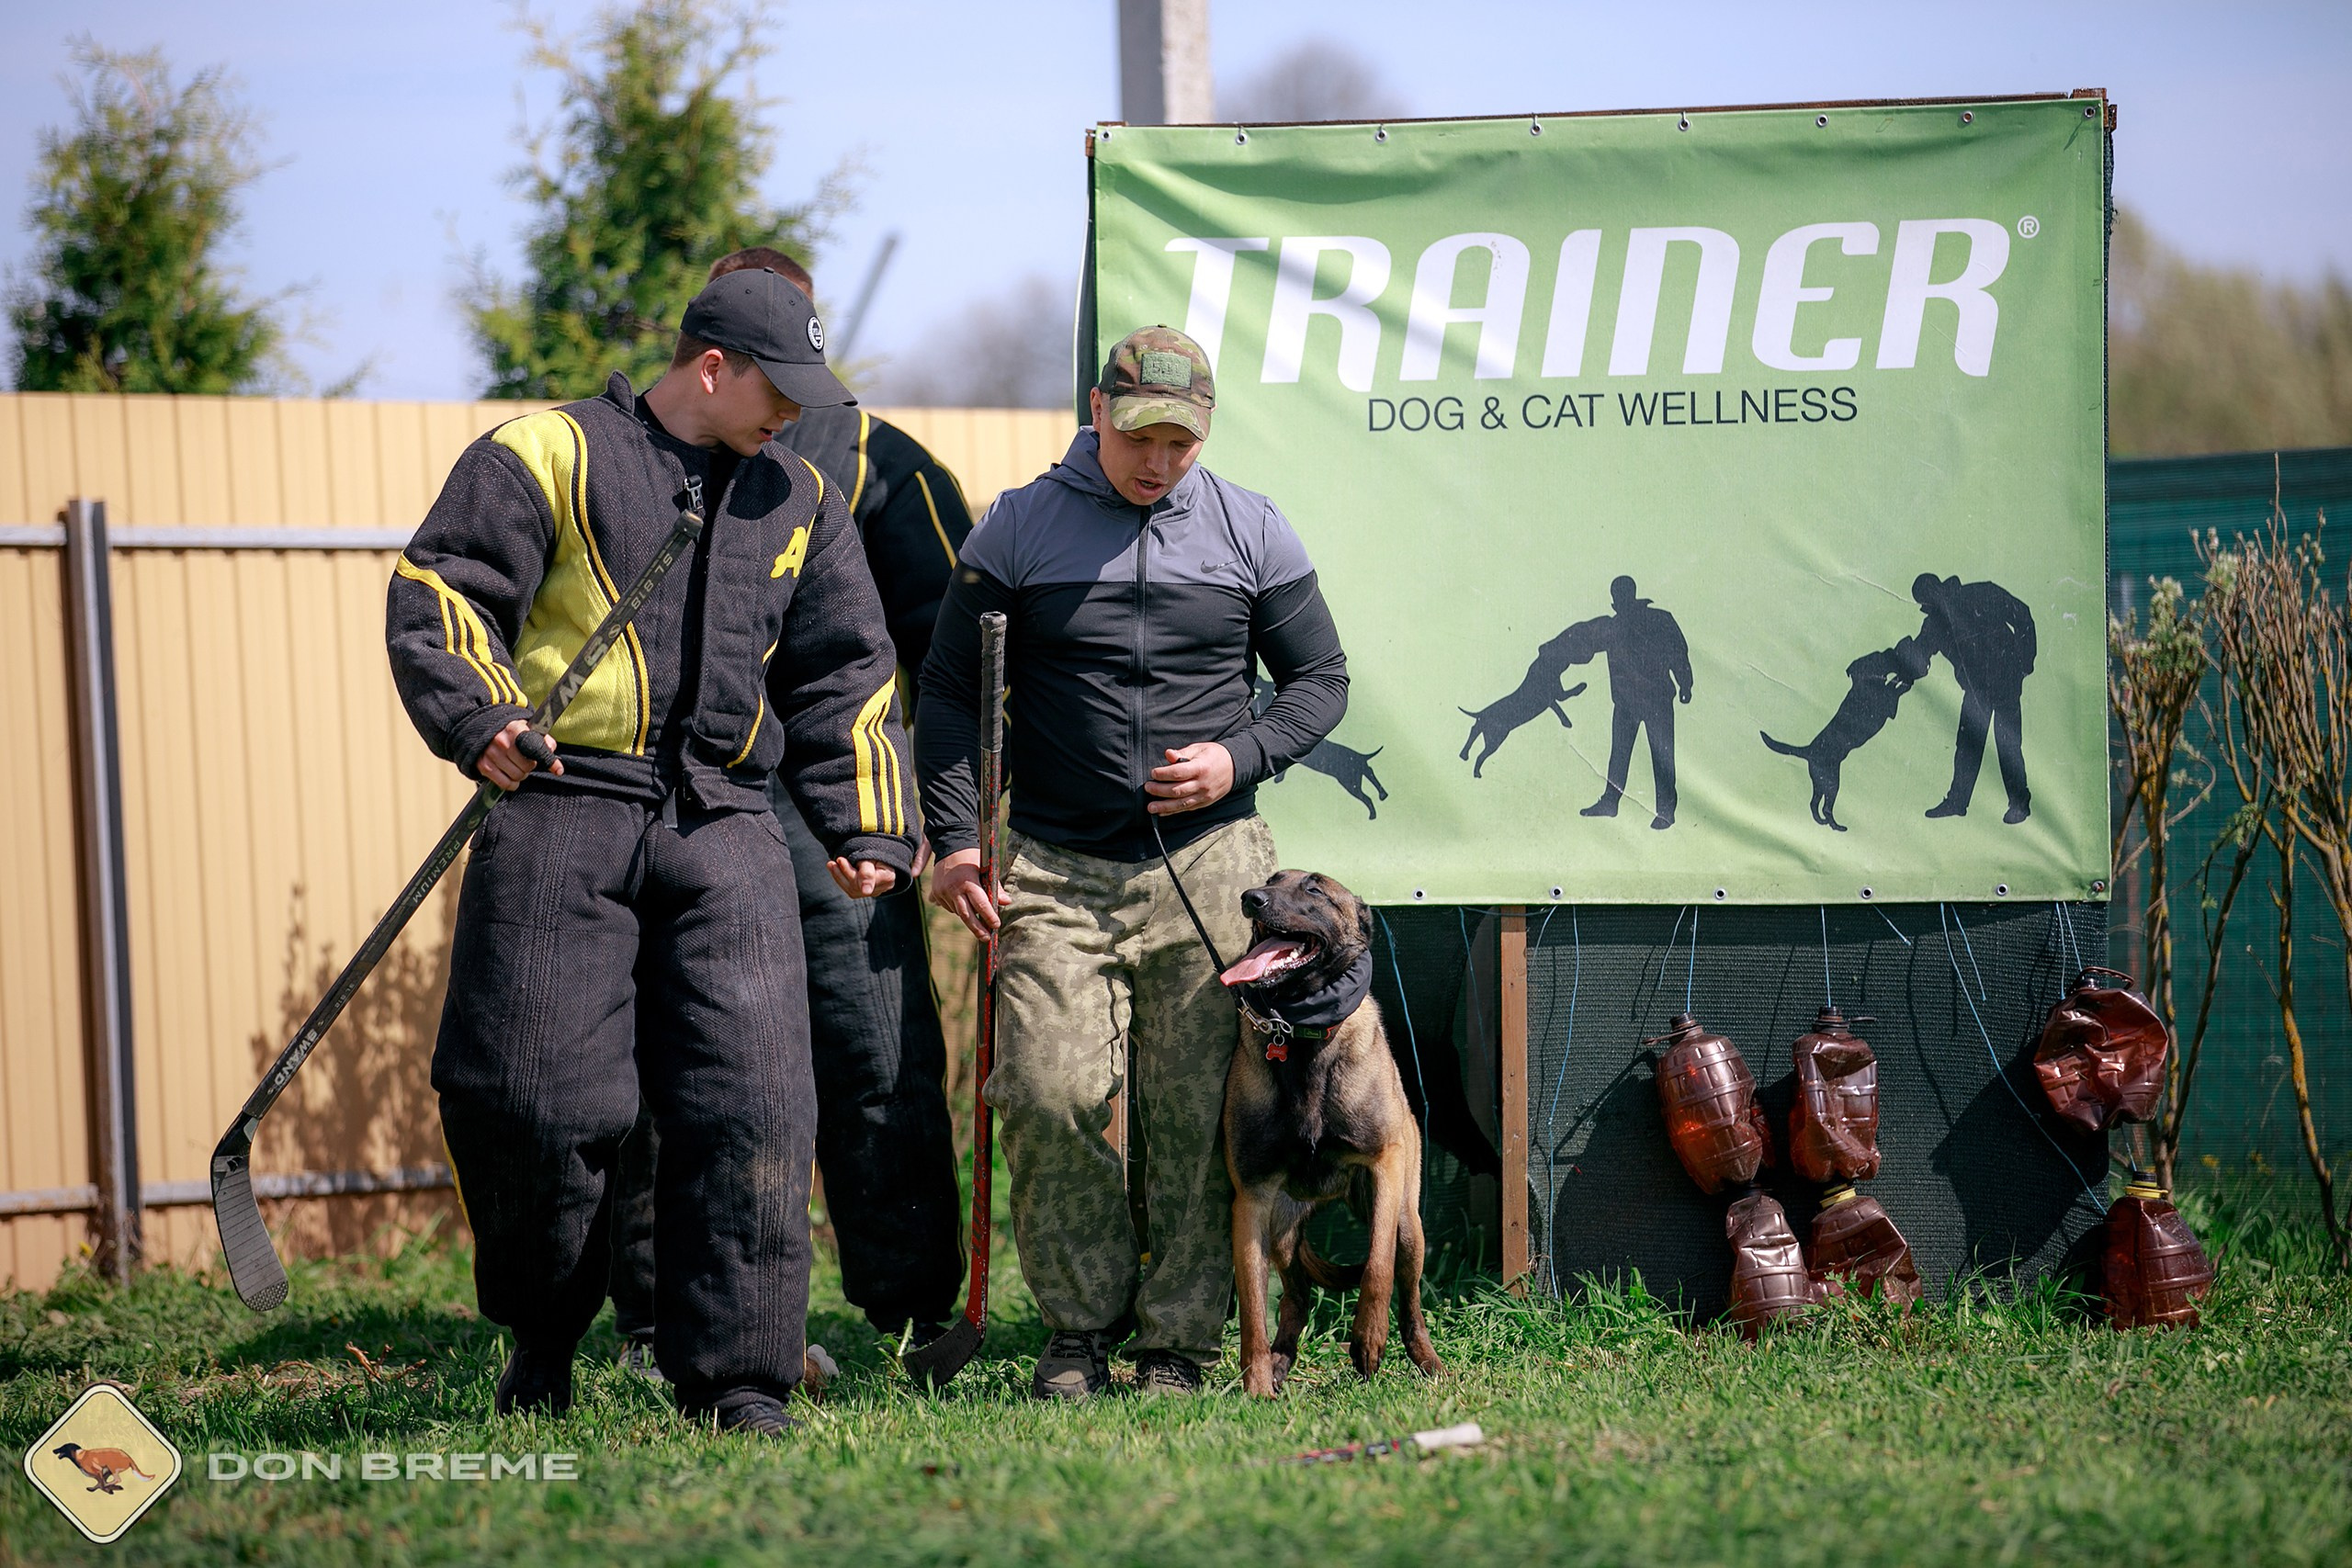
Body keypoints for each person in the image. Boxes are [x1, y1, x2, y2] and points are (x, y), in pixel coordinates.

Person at [387, 267, 916, 1435]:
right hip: (562, 803)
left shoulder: (803, 498)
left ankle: (738, 1382)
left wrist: (870, 819)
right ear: (712, 367)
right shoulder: (542, 454)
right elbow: (444, 590)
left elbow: (848, 669)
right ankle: (542, 1334)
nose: (795, 413)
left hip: (724, 822)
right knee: (529, 1100)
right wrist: (482, 719)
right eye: (779, 389)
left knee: (755, 1106)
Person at [918, 326, 1350, 1399]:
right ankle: (1076, 1330)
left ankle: (1179, 1342)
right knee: (1046, 1091)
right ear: (1098, 412)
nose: (1159, 461)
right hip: (1057, 867)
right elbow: (944, 695)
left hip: (1214, 867)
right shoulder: (1018, 525)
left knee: (1198, 1109)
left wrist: (1236, 757)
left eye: (1182, 442)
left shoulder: (1252, 529)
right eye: (1142, 435)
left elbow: (1320, 681)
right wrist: (959, 835)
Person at [608, 247, 974, 1371]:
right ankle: (659, 1321)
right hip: (666, 809)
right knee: (665, 1073)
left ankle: (914, 1314)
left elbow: (949, 661)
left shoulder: (881, 465)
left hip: (830, 814)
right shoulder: (625, 455)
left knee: (876, 1057)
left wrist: (934, 817)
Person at [1565, 574, 1694, 829]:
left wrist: (1685, 683)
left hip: (1648, 702)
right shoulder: (1638, 622)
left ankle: (1662, 812)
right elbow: (1679, 652)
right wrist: (1684, 684)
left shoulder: (1625, 624)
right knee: (1628, 755)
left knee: (1657, 756)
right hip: (1634, 703)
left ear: (1617, 597)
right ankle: (1616, 803)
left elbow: (1678, 651)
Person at [1911, 571, 2037, 823]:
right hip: (1976, 688)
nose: (1934, 599)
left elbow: (2021, 613)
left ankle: (2019, 804)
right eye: (1927, 599)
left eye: (1933, 591)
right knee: (1968, 744)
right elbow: (1919, 653)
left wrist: (2025, 662)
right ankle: (1957, 802)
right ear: (1925, 605)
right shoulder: (1935, 624)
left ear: (1942, 585)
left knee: (2007, 742)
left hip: (2006, 679)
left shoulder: (1981, 593)